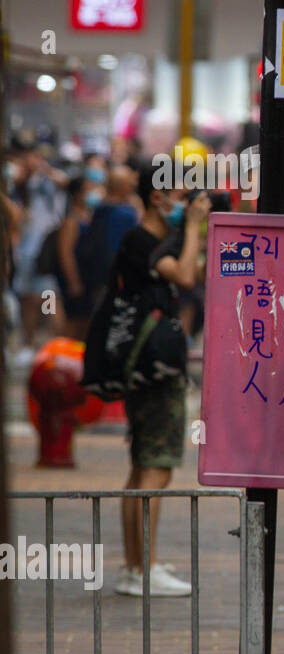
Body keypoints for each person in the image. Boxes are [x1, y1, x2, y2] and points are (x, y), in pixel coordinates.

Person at [113, 159, 211, 596]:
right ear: (158, 196)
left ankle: (137, 565)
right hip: (153, 369)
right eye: (179, 193)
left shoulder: (146, 240)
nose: (184, 201)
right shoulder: (143, 240)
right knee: (156, 469)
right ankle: (144, 568)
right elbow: (187, 276)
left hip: (144, 365)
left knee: (142, 468)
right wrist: (192, 227)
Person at [9, 139, 66, 359]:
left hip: (46, 254)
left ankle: (54, 343)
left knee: (49, 298)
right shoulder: (18, 186)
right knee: (28, 300)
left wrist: (43, 169)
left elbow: (64, 183)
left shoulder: (49, 182)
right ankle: (29, 345)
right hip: (24, 253)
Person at [79, 163, 142, 311]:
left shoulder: (99, 209)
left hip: (96, 277)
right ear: (123, 187)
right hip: (117, 280)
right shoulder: (125, 214)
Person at [54, 175, 97, 340]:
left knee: (84, 323)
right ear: (78, 194)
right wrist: (73, 282)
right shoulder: (71, 221)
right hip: (75, 281)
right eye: (89, 189)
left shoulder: (89, 217)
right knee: (73, 323)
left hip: (87, 280)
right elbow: (65, 254)